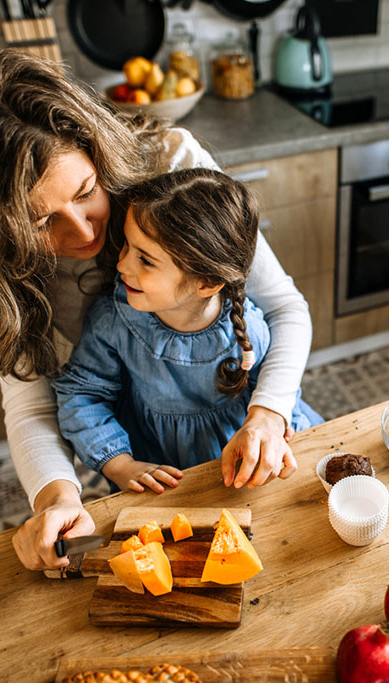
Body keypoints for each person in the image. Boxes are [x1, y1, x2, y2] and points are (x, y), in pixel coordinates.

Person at [0, 50, 314, 572]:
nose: (85, 234)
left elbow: (281, 307)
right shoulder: (7, 271)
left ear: (98, 154)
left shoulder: (173, 170)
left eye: (86, 192)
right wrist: (57, 498)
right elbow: (36, 404)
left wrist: (269, 413)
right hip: (152, 451)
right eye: (38, 223)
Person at [54, 169, 322, 493]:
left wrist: (272, 438)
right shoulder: (112, 321)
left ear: (207, 283)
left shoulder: (247, 326)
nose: (122, 265)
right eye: (127, 245)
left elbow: (278, 390)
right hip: (162, 474)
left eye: (146, 261)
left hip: (244, 471)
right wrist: (121, 465)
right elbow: (82, 396)